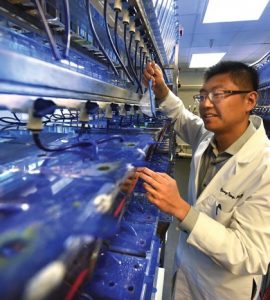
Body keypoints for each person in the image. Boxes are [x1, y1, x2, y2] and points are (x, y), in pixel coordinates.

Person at [137, 61, 270, 299]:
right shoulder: (209, 136)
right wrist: (161, 90)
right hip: (187, 268)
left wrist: (180, 208)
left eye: (219, 94)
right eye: (203, 95)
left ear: (250, 100)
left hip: (224, 288)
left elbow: (251, 254)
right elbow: (180, 116)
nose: (206, 103)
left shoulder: (264, 167)